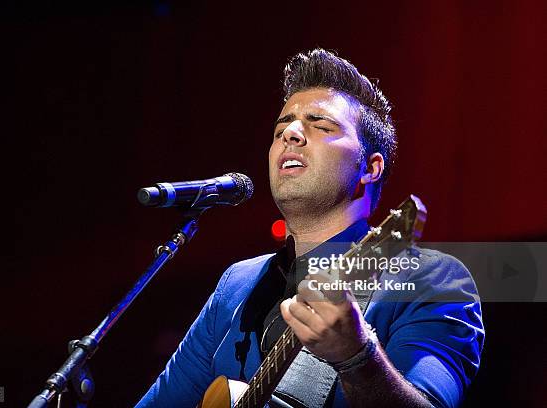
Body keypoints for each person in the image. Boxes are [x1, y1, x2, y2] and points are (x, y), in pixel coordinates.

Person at [135, 49, 484, 408]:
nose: (291, 133)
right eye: (280, 128)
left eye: (320, 125)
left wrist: (357, 357)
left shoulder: (434, 279)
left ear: (370, 167)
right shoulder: (236, 285)